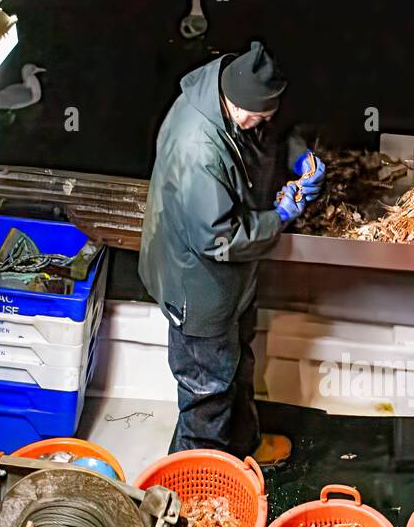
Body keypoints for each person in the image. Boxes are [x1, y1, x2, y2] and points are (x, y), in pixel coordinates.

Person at [138, 41, 324, 460]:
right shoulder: (198, 149)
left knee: (237, 365)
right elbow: (218, 238)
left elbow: (269, 131)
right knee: (207, 390)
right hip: (197, 286)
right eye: (258, 116)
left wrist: (302, 158)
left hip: (229, 284)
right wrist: (280, 214)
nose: (261, 122)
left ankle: (244, 447)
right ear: (235, 103)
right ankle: (194, 490)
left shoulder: (230, 97)